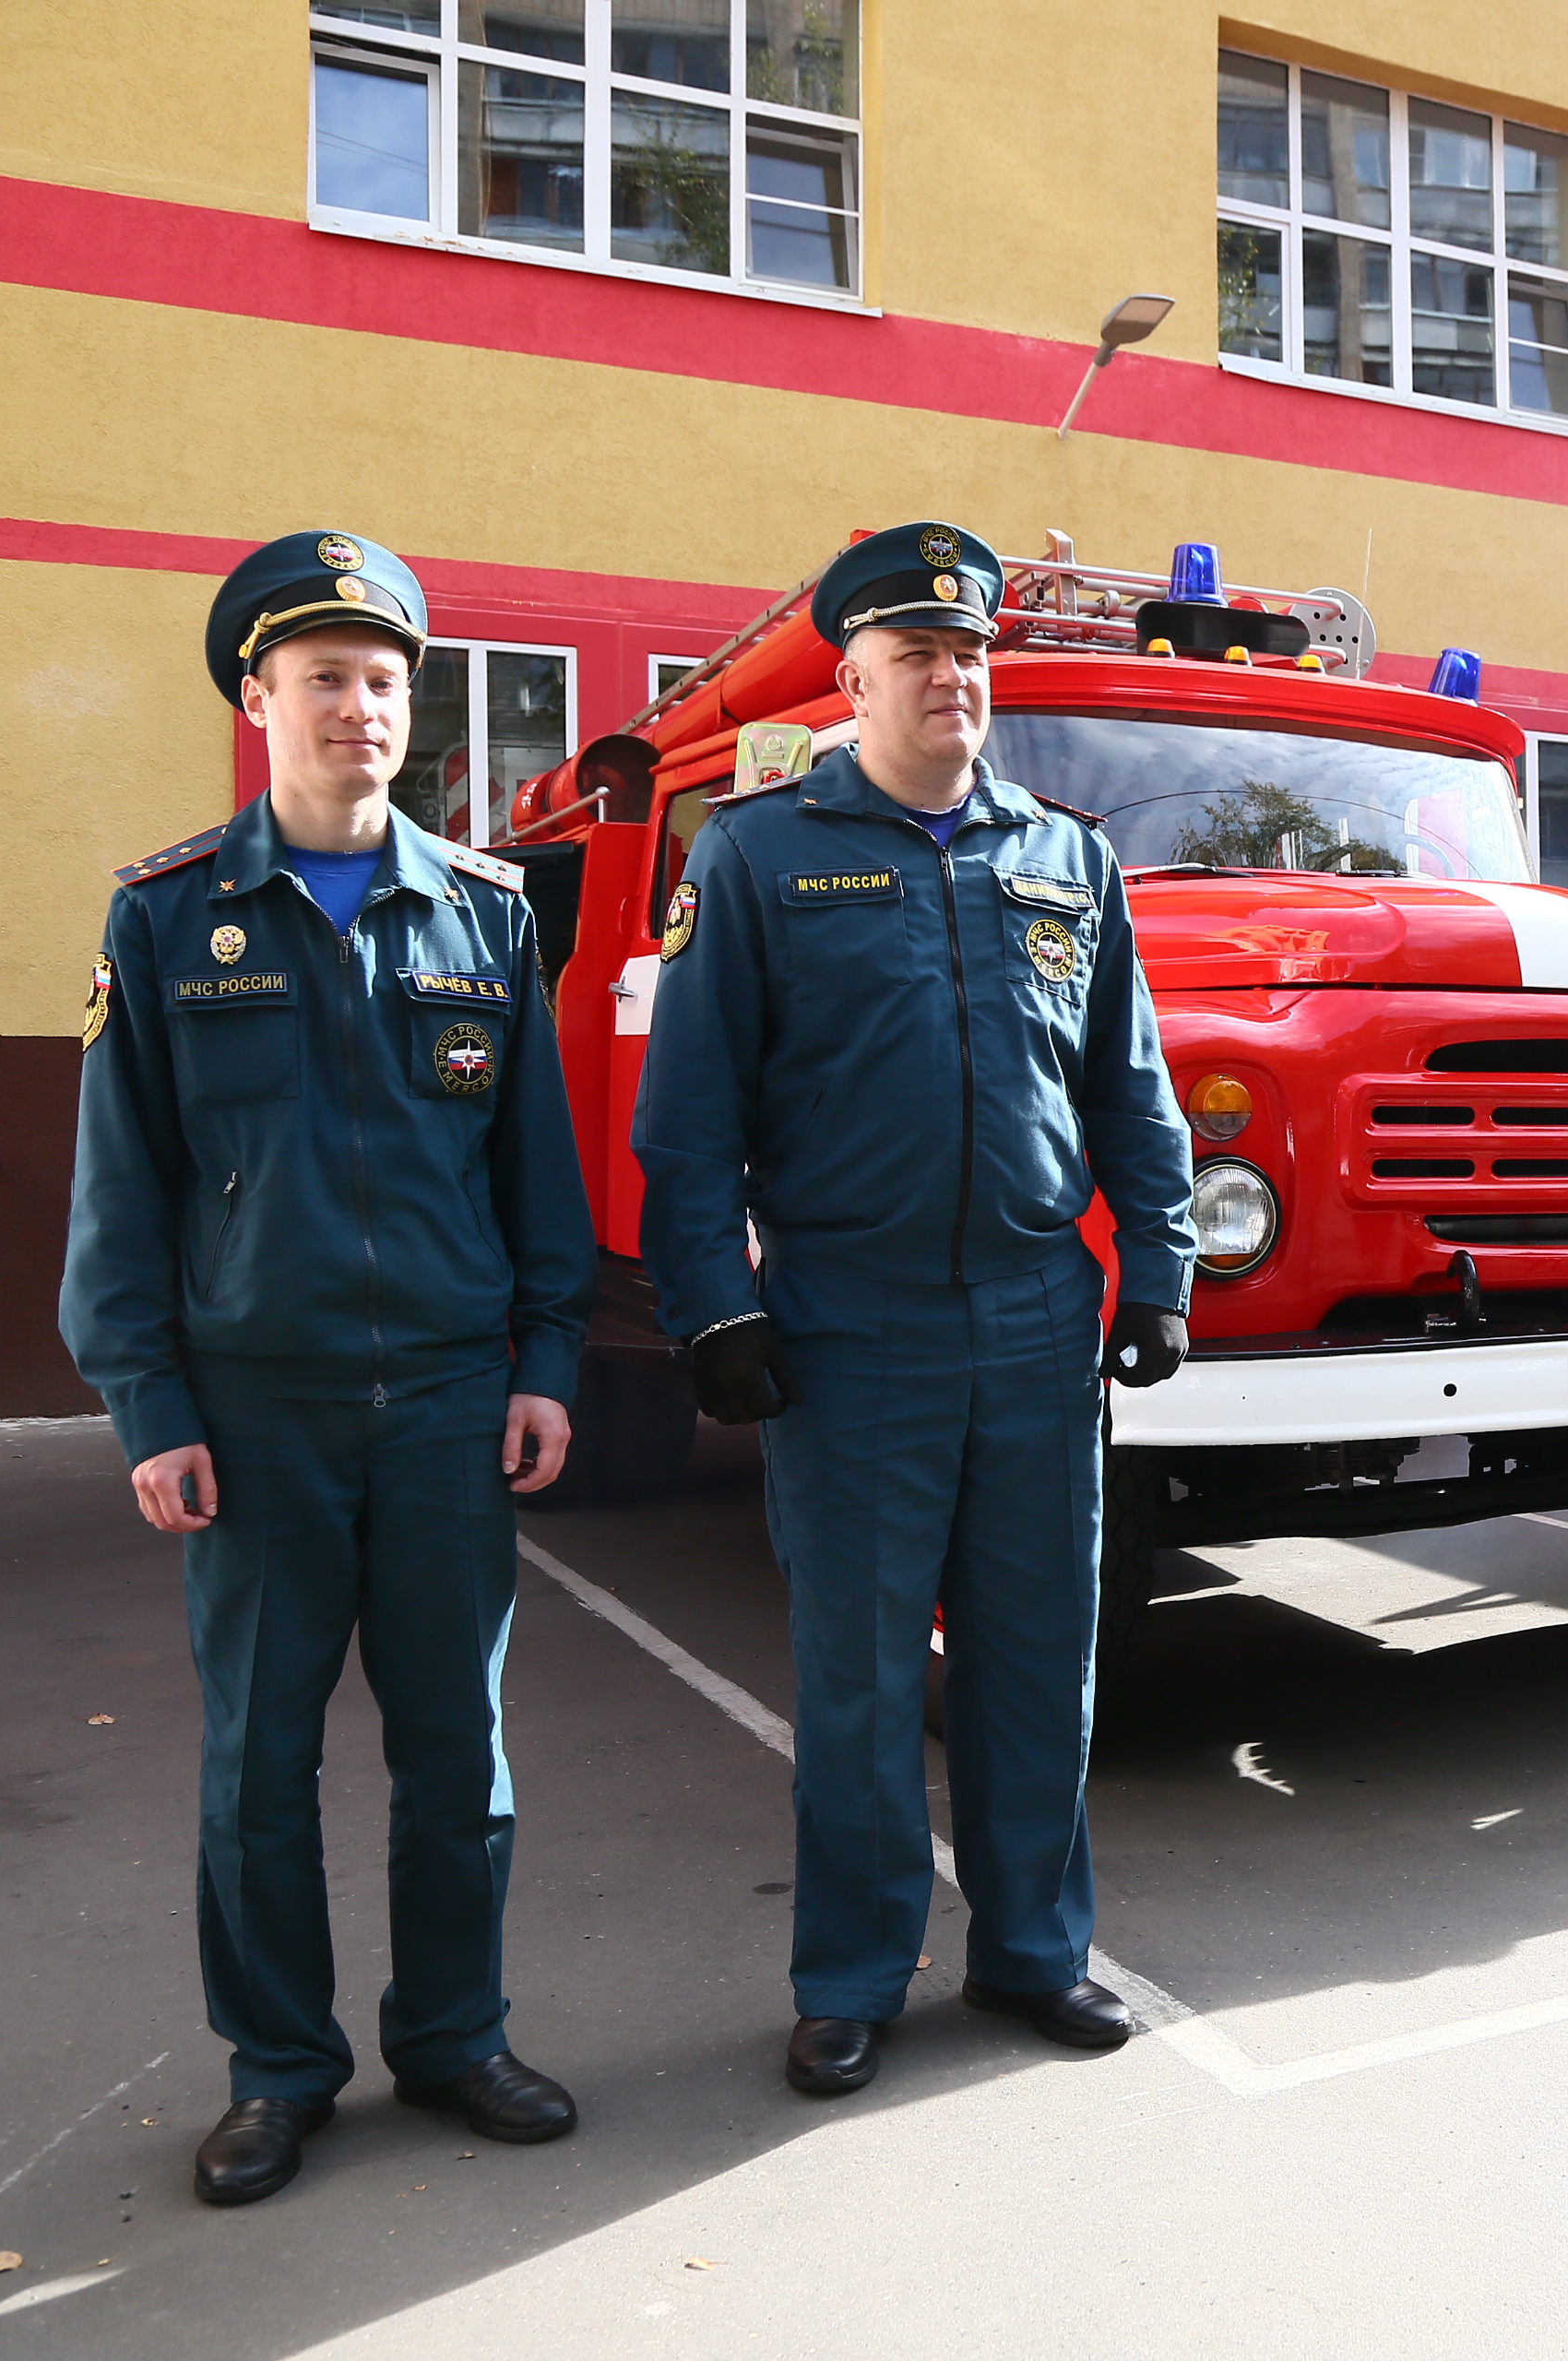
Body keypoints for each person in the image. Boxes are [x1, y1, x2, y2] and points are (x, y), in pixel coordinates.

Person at [60, 530, 597, 2207]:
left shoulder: (487, 916)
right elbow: (120, 1187)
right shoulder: (166, 919)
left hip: (446, 1404)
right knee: (255, 1769)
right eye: (322, 679)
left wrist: (549, 1361)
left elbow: (537, 1176)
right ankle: (279, 2071)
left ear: (408, 706)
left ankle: (452, 2036)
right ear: (257, 697)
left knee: (463, 1759)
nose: (356, 707)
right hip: (255, 1416)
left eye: (382, 680)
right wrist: (147, 1403)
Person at [631, 520, 1197, 2099]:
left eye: (969, 654)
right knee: (866, 1675)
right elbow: (688, 1124)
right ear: (854, 681)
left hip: (1033, 1319)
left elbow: (1131, 1089)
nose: (948, 678)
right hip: (847, 1326)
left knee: (1036, 1661)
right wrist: (713, 1311)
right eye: (914, 657)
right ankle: (855, 1976)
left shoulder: (1065, 858)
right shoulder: (753, 857)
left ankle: (1032, 1954)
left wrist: (1158, 1270)